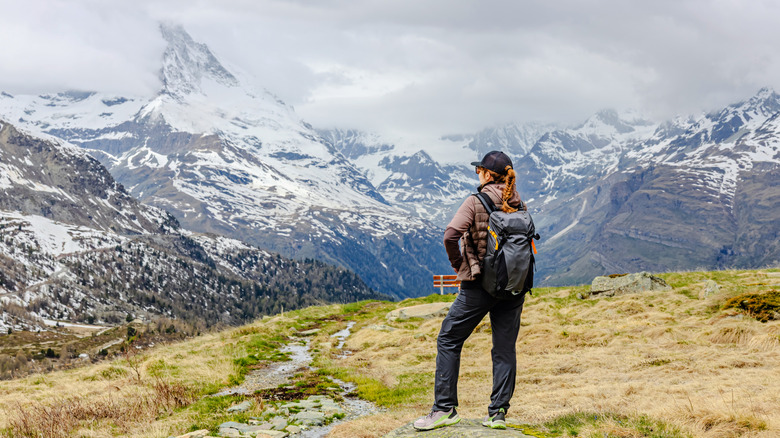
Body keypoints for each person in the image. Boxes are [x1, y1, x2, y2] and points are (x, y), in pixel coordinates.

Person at [413, 150, 527, 431]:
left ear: (488, 175)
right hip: (514, 286)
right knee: (504, 348)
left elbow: (451, 235)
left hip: (479, 284)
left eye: (479, 170)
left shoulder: (475, 201)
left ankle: (444, 409)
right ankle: (498, 413)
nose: (477, 173)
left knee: (449, 338)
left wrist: (459, 264)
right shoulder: (518, 202)